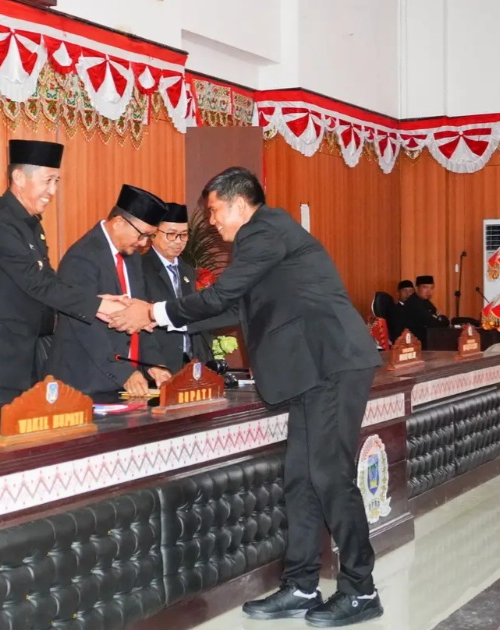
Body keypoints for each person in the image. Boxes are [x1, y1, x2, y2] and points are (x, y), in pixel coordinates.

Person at [105, 167, 384, 627]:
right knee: (300, 478)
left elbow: (224, 295)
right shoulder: (266, 239)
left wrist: (152, 310)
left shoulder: (264, 230)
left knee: (330, 477)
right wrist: (153, 319)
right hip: (310, 370)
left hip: (331, 363)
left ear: (238, 204)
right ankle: (301, 585)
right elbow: (235, 306)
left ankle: (361, 589)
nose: (212, 221)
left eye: (215, 210)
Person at [0, 140, 123, 423]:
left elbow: (48, 279)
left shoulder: (30, 223)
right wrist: (97, 306)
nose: (53, 191)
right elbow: (36, 283)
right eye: (48, 181)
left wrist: (98, 301)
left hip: (25, 363)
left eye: (57, 182)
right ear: (19, 177)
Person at [46, 184, 172, 398]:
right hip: (84, 383)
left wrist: (154, 364)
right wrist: (124, 372)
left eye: (149, 237)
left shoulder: (132, 256)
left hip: (122, 381)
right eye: (142, 235)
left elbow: (139, 314)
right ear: (119, 222)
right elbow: (85, 327)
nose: (143, 243)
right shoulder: (82, 256)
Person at [141, 202, 213, 373]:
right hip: (158, 365)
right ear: (153, 234)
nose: (179, 241)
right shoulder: (140, 267)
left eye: (184, 235)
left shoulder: (187, 269)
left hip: (191, 363)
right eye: (171, 234)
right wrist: (153, 364)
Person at [401, 275, 449, 346]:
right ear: (417, 288)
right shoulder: (413, 302)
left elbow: (444, 321)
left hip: (428, 339)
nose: (428, 291)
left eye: (431, 288)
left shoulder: (426, 301)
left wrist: (439, 318)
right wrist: (439, 318)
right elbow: (431, 322)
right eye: (425, 287)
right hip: (415, 343)